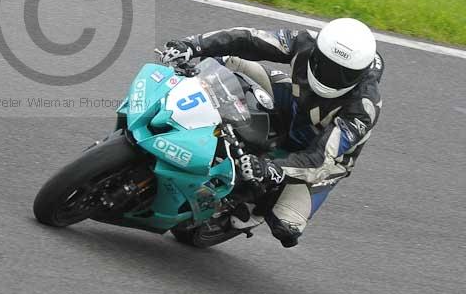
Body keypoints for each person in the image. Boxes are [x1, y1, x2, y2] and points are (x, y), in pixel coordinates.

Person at [160, 18, 384, 247]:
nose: (330, 76)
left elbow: (319, 159)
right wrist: (192, 45)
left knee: (286, 227)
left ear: (359, 74)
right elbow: (249, 38)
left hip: (322, 157)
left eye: (343, 74)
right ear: (317, 50)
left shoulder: (363, 108)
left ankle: (251, 210)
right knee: (226, 61)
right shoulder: (304, 41)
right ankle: (180, 113)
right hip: (295, 103)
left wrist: (272, 169)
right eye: (325, 64)